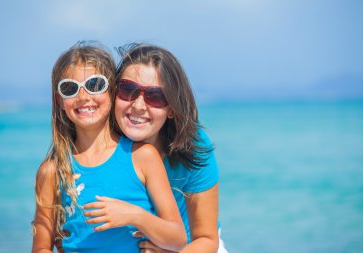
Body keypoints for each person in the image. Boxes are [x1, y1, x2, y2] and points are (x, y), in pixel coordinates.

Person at [31, 41, 187, 253]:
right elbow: (41, 247)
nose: (83, 96)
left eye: (95, 85)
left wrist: (135, 215)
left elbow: (177, 238)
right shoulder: (52, 172)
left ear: (113, 91)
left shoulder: (142, 157)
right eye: (70, 88)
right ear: (59, 100)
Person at [112, 43, 228, 252]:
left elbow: (206, 238)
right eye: (128, 89)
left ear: (172, 108)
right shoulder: (99, 145)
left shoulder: (193, 145)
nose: (138, 105)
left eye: (155, 96)